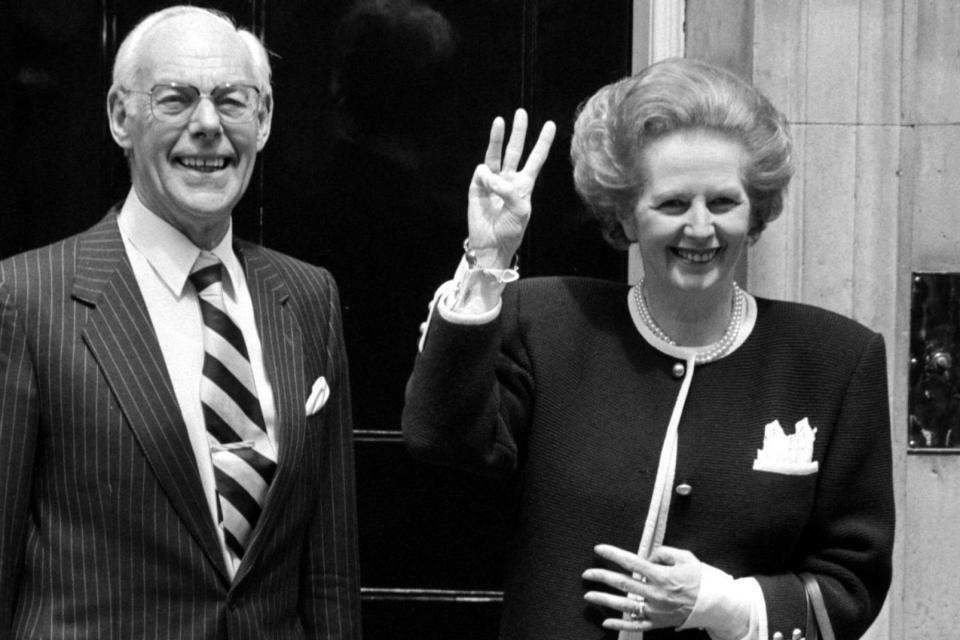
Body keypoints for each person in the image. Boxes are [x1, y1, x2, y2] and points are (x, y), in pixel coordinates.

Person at [402, 58, 894, 640]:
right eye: (672, 204)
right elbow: (439, 438)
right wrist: (487, 262)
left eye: (723, 202)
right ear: (625, 214)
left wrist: (723, 604)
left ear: (755, 210)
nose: (700, 228)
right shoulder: (550, 324)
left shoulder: (833, 359)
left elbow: (852, 581)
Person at [0, 6, 360, 638]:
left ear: (265, 119)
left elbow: (328, 575)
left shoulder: (308, 297)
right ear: (120, 115)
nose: (207, 126)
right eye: (174, 99)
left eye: (232, 100)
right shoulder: (25, 300)